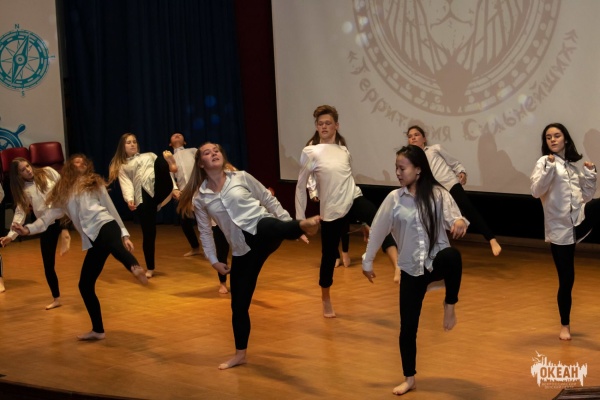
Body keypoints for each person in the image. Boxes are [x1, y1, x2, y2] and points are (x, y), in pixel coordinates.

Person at [177, 142, 321, 370]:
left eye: (216, 150)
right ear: (201, 163)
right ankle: (240, 354)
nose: (214, 153)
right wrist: (214, 261)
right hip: (242, 248)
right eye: (207, 152)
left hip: (262, 228)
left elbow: (268, 199)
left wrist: (291, 225)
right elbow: (205, 232)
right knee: (239, 305)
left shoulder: (241, 177)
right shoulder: (200, 198)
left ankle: (300, 225)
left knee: (267, 224)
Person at [362, 145, 467, 396]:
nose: (398, 173)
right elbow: (378, 230)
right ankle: (409, 378)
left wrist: (459, 222)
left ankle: (449, 303)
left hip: (434, 262)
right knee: (407, 328)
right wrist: (367, 261)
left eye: (402, 168)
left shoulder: (438, 194)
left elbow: (455, 217)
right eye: (396, 168)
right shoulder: (394, 199)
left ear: (418, 170)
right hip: (411, 270)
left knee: (452, 256)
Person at [12, 154, 149, 340]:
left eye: (84, 162)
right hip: (93, 239)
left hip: (105, 223)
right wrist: (27, 229)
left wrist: (124, 234)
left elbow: (111, 208)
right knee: (85, 285)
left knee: (113, 243)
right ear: (69, 167)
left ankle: (134, 266)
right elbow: (45, 219)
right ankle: (98, 330)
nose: (81, 163)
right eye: (77, 161)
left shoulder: (94, 183)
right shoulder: (62, 193)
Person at [296, 105, 397, 318]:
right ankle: (326, 298)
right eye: (320, 124)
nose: (324, 126)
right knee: (328, 256)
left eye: (328, 123)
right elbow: (300, 186)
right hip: (331, 210)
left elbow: (347, 179)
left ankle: (398, 266)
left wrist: (364, 222)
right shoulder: (311, 151)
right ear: (317, 127)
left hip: (353, 198)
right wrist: (299, 221)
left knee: (379, 218)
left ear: (336, 126)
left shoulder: (344, 151)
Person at [530, 123, 598, 341]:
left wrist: (590, 174)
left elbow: (586, 196)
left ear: (565, 139)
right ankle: (565, 326)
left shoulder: (572, 167)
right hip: (560, 230)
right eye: (548, 137)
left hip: (578, 221)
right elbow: (536, 191)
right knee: (567, 280)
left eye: (557, 136)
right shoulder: (544, 162)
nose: (553, 139)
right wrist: (549, 168)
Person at [406, 125, 502, 256]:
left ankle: (491, 239)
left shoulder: (435, 149)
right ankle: (437, 253)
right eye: (410, 136)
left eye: (416, 135)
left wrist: (461, 172)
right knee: (434, 221)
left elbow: (454, 163)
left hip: (450, 184)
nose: (413, 138)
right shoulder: (411, 161)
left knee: (468, 209)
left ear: (424, 138)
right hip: (434, 193)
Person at [0, 158, 71, 309]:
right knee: (48, 265)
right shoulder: (24, 190)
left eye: (27, 166)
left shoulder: (48, 172)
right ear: (18, 175)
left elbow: (64, 188)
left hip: (63, 216)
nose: (28, 170)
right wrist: (10, 236)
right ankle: (56, 298)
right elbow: (20, 213)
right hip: (46, 225)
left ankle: (65, 232)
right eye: (23, 170)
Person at [108, 133, 174, 279]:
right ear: (123, 147)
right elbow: (126, 184)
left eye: (134, 142)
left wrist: (174, 188)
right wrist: (129, 199)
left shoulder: (149, 155)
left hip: (159, 188)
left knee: (160, 160)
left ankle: (171, 165)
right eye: (128, 142)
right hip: (144, 199)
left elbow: (165, 174)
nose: (132, 144)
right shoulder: (123, 166)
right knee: (149, 233)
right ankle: (150, 267)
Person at [163, 132, 202, 257]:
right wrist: (174, 189)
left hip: (200, 189)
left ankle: (214, 247)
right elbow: (169, 176)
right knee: (185, 222)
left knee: (206, 219)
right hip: (184, 192)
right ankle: (195, 247)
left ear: (184, 142)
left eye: (180, 135)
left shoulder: (193, 151)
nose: (177, 135)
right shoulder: (169, 157)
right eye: (174, 135)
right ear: (170, 143)